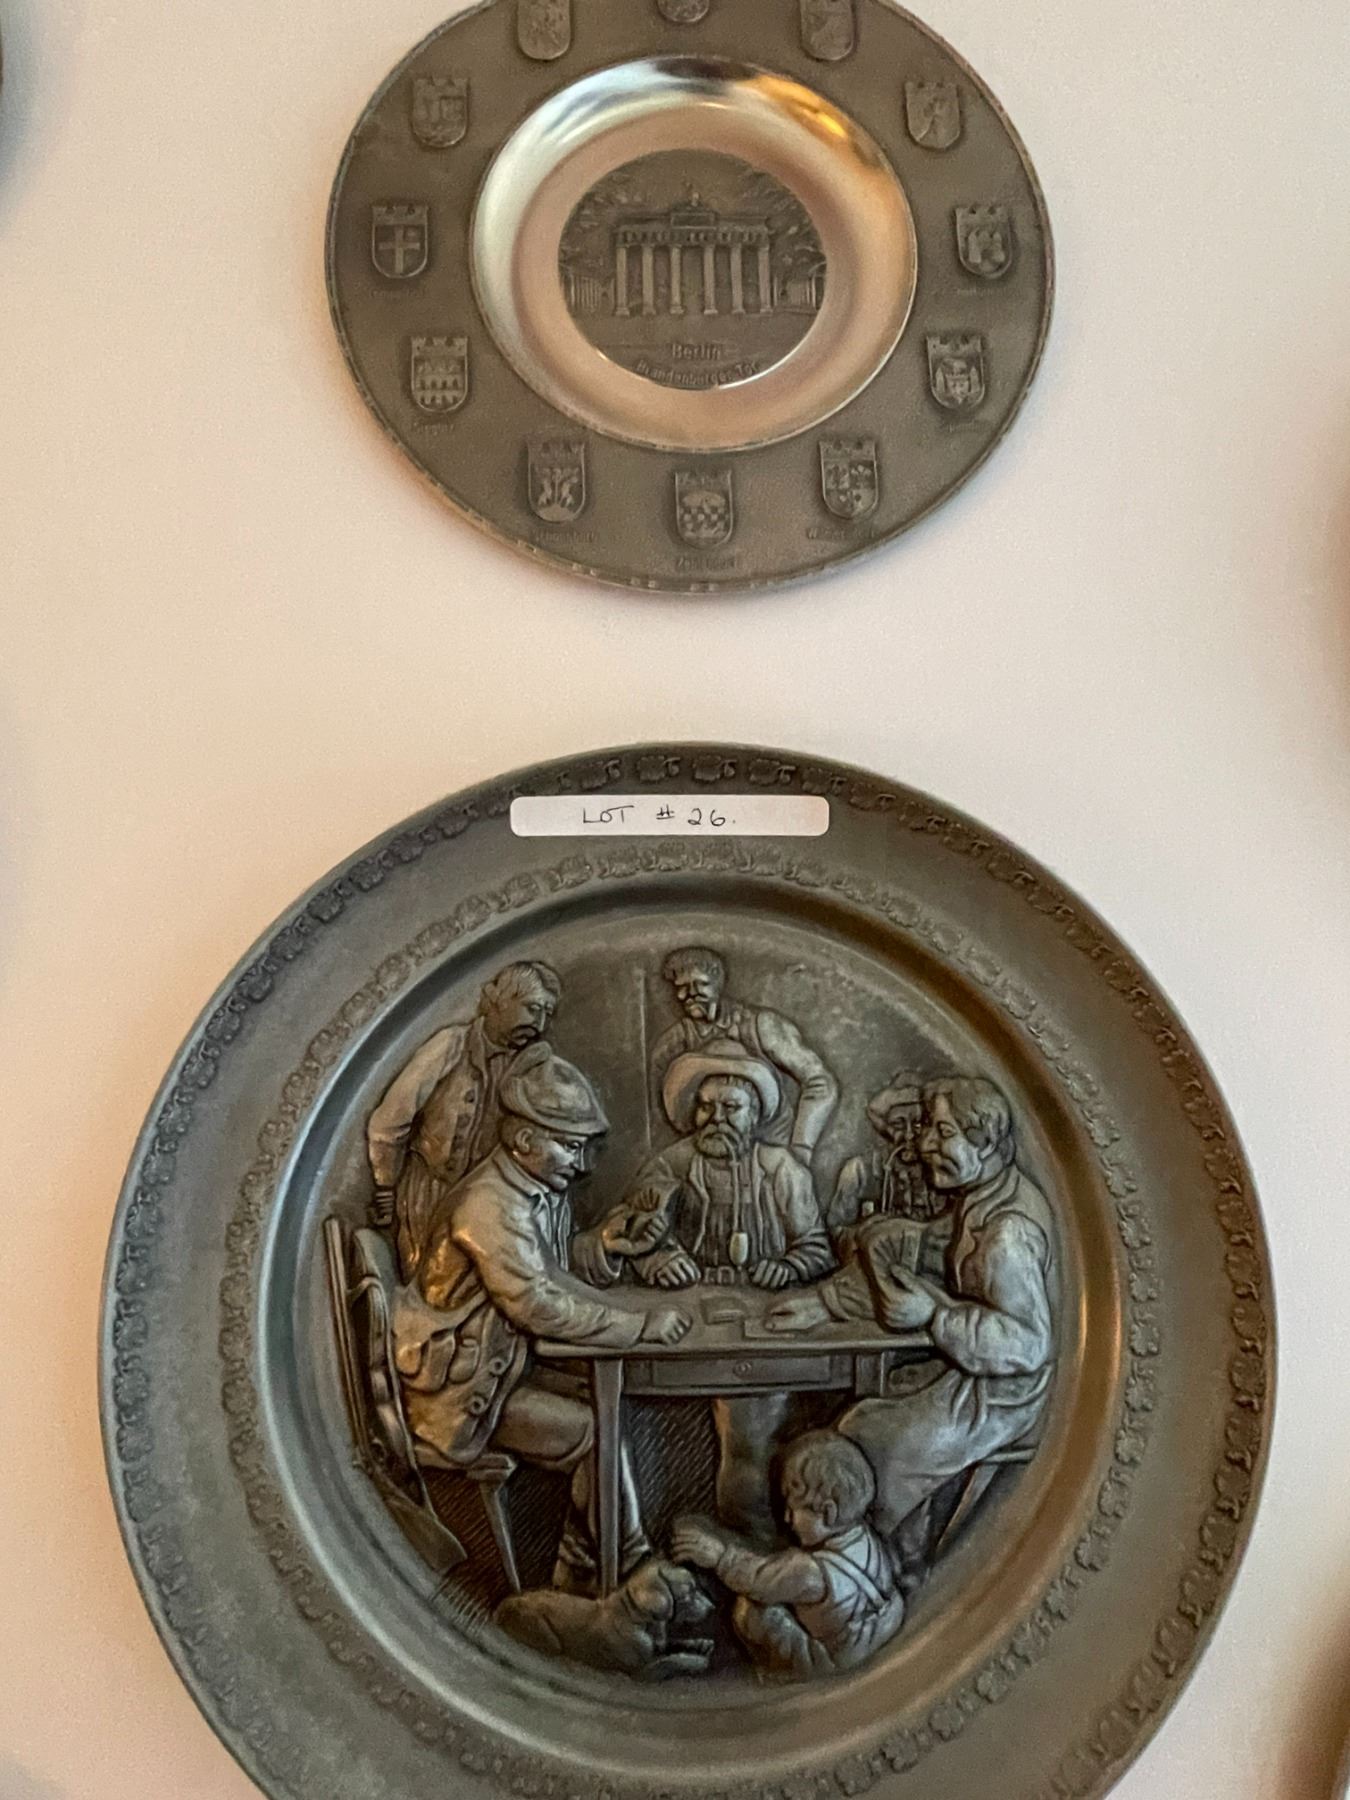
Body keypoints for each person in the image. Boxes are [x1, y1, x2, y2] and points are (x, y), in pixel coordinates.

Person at [391, 1044, 689, 1593]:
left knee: (605, 1404)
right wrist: (638, 1327)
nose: (580, 1163)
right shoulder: (489, 1205)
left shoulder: (533, 1190)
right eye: (569, 1146)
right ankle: (623, 1568)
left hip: (501, 1369)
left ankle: (582, 1571)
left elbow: (548, 1267)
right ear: (525, 1140)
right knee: (595, 1430)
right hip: (461, 1396)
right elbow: (534, 1302)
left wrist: (604, 1247)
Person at [766, 1076, 1057, 1553]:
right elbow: (925, 1255)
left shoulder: (1008, 1234)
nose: (924, 1146)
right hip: (972, 1374)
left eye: (943, 1133)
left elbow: (1026, 1345)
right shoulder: (981, 1198)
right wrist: (826, 1302)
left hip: (1006, 1393)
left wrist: (934, 1316)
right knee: (860, 1418)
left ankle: (877, 1564)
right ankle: (895, 1547)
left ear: (985, 1142)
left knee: (873, 1445)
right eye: (928, 1130)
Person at [578, 1041, 835, 1542]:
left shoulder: (782, 1170)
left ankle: (749, 1543)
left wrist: (787, 1266)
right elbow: (630, 1230)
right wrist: (654, 1259)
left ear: (755, 1115)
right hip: (681, 1322)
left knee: (747, 1443)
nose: (716, 1119)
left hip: (762, 1329)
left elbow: (817, 1249)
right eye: (706, 1106)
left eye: (731, 1108)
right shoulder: (671, 1165)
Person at [367, 961, 562, 1279]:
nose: (539, 1023)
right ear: (499, 1000)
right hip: (431, 1195)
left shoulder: (530, 1064)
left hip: (491, 1205)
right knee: (427, 1282)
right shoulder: (450, 1045)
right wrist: (385, 1186)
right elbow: (391, 1120)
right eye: (532, 1008)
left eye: (547, 1014)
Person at [671, 1430, 904, 1677]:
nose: (787, 1518)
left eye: (793, 1508)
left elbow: (758, 1579)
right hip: (883, 1626)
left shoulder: (809, 1571)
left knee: (751, 1611)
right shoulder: (865, 1536)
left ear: (828, 1512)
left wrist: (719, 1557)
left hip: (838, 1659)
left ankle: (783, 1673)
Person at [649, 948, 838, 1161]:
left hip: (770, 1162)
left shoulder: (762, 1027)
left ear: (718, 983)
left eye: (700, 984)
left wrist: (801, 1149)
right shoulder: (672, 1044)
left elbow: (821, 1083)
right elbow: (660, 1115)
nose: (689, 994)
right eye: (681, 987)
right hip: (708, 1158)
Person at [826, 1071, 947, 1268]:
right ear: (884, 1128)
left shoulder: (943, 1170)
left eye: (917, 1124)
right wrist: (866, 1235)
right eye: (899, 1124)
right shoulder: (860, 1170)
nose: (909, 1135)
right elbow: (837, 1230)